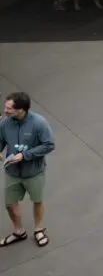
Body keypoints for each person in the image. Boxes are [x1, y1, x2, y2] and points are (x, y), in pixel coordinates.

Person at [0, 92, 55, 249]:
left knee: (37, 201)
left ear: (21, 110)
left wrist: (25, 155)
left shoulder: (39, 123)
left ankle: (39, 229)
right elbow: (0, 141)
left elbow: (49, 145)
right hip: (12, 172)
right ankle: (19, 232)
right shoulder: (4, 123)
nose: (5, 110)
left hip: (34, 172)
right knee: (10, 204)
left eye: (9, 108)